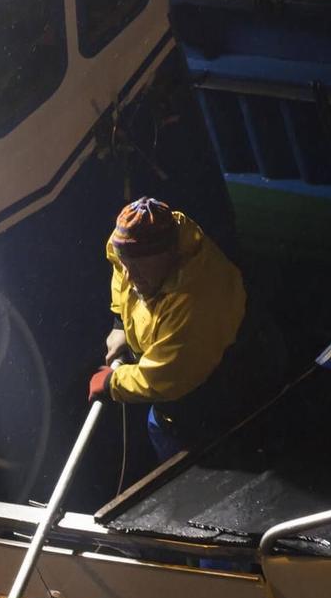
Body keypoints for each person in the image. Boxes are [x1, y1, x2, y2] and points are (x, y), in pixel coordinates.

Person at [87, 197, 274, 462]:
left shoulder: (195, 301)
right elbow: (120, 271)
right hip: (171, 408)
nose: (130, 276)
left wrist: (111, 383)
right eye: (126, 263)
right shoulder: (132, 248)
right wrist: (119, 322)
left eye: (138, 267)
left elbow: (166, 377)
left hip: (222, 394)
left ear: (169, 255)